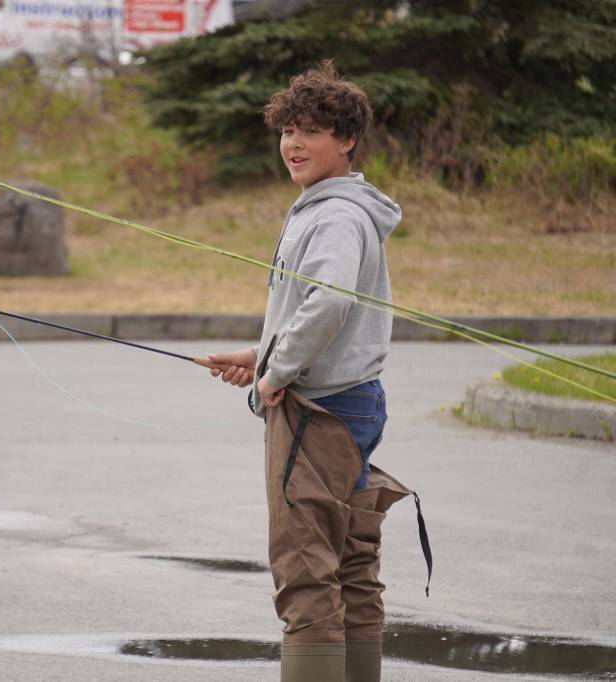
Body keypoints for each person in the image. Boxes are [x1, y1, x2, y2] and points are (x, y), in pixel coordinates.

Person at [206, 62, 424, 682]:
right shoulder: (333, 208)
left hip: (319, 411)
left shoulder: (334, 215)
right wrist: (262, 354)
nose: (294, 145)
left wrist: (275, 376)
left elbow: (329, 301)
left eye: (311, 132)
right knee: (350, 563)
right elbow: (315, 308)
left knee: (306, 571)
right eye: (286, 132)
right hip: (349, 399)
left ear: (347, 139)